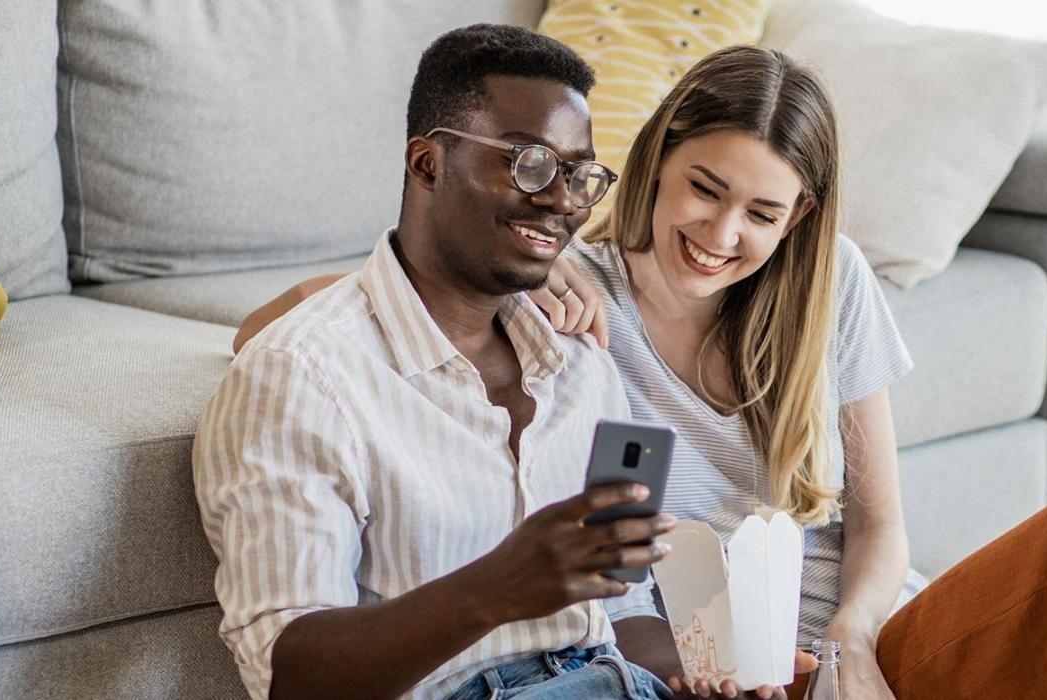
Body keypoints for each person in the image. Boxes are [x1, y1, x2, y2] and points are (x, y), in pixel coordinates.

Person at [237, 45, 1047, 700]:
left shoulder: (835, 290)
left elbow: (880, 527)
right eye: (705, 188)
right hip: (730, 667)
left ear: (801, 221)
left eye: (763, 214)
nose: (722, 233)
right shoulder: (566, 290)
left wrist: (855, 644)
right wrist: (534, 289)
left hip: (874, 650)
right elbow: (311, 319)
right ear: (661, 155)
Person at [195, 25, 733, 700]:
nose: (563, 200)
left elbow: (620, 612)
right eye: (529, 163)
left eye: (578, 174)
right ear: (428, 164)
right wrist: (493, 589)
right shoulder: (301, 377)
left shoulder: (581, 359)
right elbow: (288, 675)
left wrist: (708, 672)